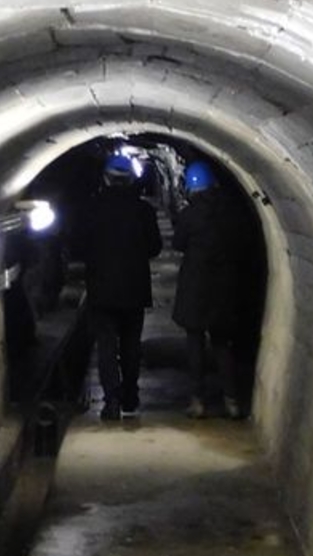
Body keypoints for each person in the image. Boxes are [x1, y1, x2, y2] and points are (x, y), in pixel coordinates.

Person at [72, 152, 162, 420]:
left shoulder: (91, 209)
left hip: (101, 288)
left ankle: (111, 400)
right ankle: (130, 396)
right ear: (131, 179)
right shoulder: (143, 210)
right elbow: (154, 247)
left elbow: (78, 246)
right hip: (135, 288)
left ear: (106, 179)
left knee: (106, 345)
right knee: (131, 344)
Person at [171, 160, 245, 419]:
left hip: (195, 287)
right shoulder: (230, 213)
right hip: (223, 288)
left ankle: (198, 400)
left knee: (195, 345)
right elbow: (240, 242)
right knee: (223, 346)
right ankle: (232, 400)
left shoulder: (189, 215)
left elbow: (178, 243)